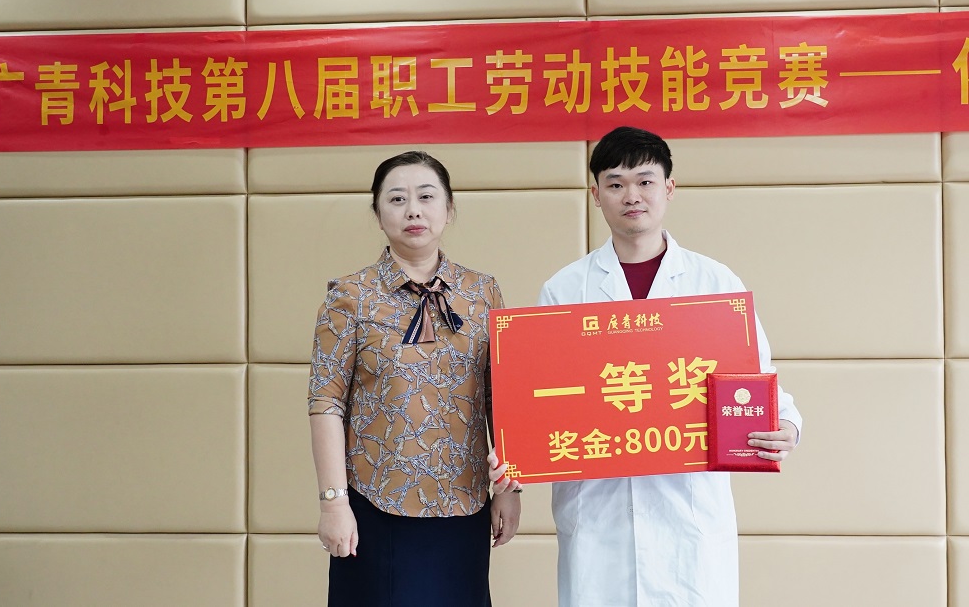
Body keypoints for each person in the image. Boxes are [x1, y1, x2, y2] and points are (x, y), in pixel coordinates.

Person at [538, 127, 803, 607]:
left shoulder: (715, 283)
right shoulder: (565, 289)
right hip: (598, 514)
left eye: (645, 181)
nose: (632, 196)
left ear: (669, 188)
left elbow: (755, 378)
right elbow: (544, 394)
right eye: (615, 184)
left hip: (688, 512)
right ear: (595, 194)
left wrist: (785, 424)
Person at [308, 151, 522, 607]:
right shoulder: (349, 296)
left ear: (449, 208)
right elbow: (326, 403)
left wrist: (509, 488)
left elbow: (501, 395)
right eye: (397, 199)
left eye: (426, 197)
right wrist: (333, 502)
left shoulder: (483, 291)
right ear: (377, 212)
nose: (413, 211)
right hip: (375, 505)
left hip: (464, 503)